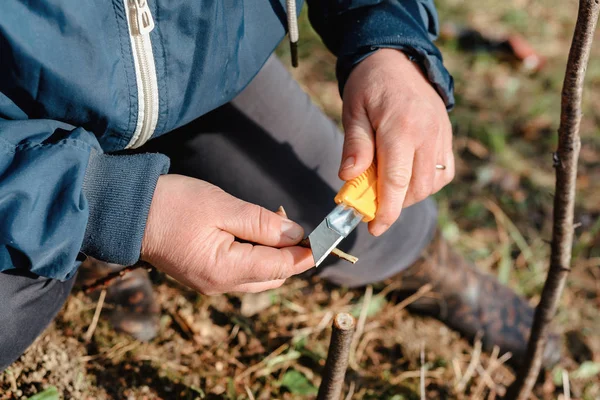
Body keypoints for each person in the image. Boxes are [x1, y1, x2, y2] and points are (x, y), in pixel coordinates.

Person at [0, 0, 558, 371]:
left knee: (353, 205)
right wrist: (106, 203)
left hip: (196, 73)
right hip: (16, 132)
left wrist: (389, 36)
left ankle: (443, 274)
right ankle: (92, 249)